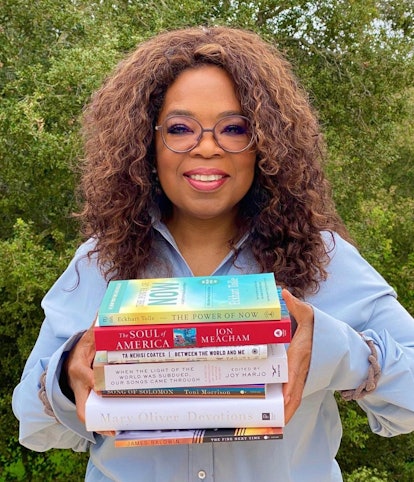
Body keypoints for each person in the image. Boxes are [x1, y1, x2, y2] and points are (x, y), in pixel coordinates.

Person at [12, 26, 414, 482]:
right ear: (147, 142)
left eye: (234, 128)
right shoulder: (96, 264)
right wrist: (67, 376)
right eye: (180, 128)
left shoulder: (324, 260)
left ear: (265, 143)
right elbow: (34, 424)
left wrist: (339, 350)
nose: (207, 146)